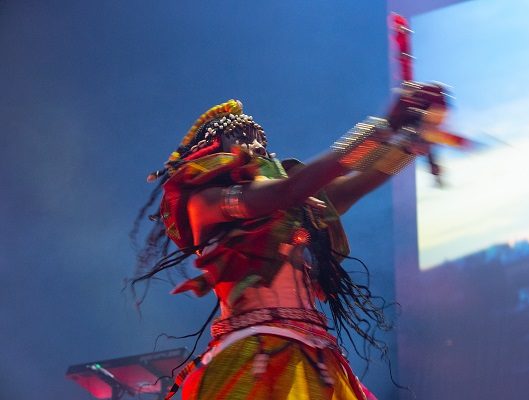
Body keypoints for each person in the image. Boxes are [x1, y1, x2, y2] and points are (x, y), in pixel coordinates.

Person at [132, 82, 448, 400]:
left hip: (317, 352)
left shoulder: (291, 203)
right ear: (213, 149)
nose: (257, 146)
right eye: (242, 137)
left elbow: (349, 188)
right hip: (253, 353)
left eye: (260, 138)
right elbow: (290, 190)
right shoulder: (205, 201)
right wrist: (385, 125)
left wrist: (407, 144)